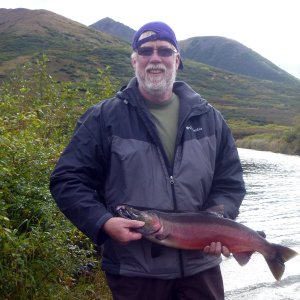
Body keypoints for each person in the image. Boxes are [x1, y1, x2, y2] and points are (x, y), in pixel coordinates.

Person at [50, 21, 246, 300]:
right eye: (146, 51)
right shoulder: (103, 118)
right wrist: (103, 222)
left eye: (165, 51)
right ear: (134, 61)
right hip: (134, 273)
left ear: (177, 60)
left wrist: (219, 223)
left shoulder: (210, 119)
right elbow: (67, 180)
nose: (155, 58)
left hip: (200, 270)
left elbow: (230, 182)